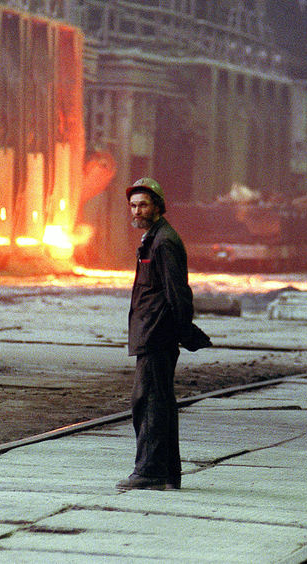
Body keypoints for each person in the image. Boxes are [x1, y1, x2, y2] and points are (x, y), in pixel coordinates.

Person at [117, 177, 194, 491]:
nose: (137, 211)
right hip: (151, 332)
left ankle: (149, 471)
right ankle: (167, 473)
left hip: (156, 334)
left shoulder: (164, 242)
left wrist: (182, 330)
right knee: (157, 402)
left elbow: (178, 292)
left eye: (143, 204)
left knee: (148, 402)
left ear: (158, 207)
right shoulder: (154, 239)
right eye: (133, 205)